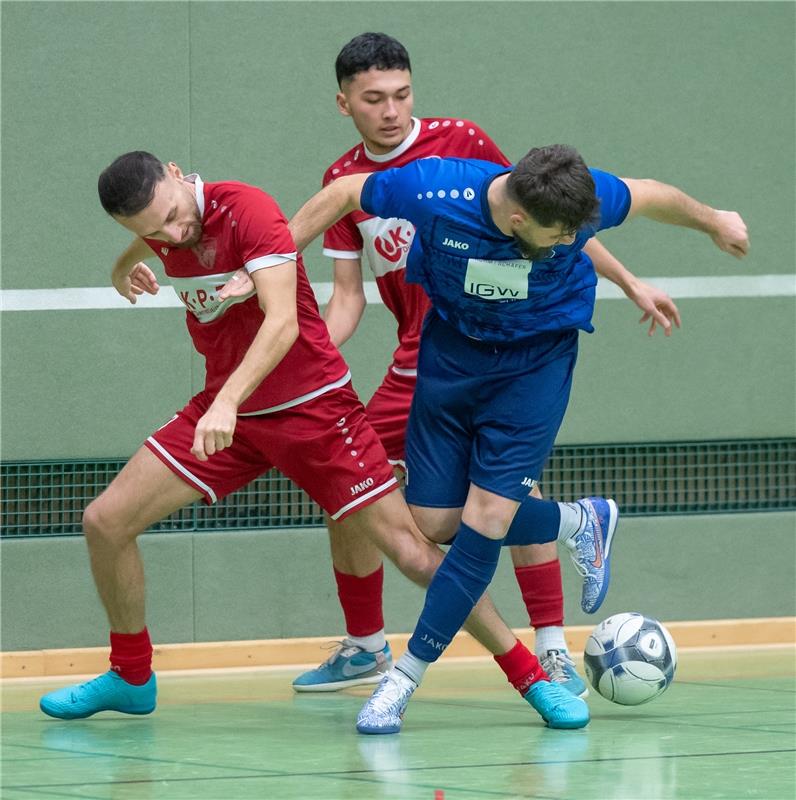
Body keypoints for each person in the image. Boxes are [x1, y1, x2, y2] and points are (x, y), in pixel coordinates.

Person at [39, 151, 595, 729]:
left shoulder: (247, 210)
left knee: (413, 552)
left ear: (179, 175)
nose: (172, 233)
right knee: (105, 522)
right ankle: (132, 677)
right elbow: (154, 237)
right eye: (153, 232)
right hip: (230, 413)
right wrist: (120, 266)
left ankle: (531, 677)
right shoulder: (160, 225)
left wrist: (227, 401)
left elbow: (281, 322)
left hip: (313, 412)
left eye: (174, 217)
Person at [220, 32, 680, 698]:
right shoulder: (346, 184)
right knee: (348, 493)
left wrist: (631, 282)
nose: (391, 110)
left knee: (512, 490)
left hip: (485, 344)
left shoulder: (459, 145)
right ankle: (366, 646)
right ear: (343, 102)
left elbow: (550, 223)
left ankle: (550, 646)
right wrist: (302, 360)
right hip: (421, 357)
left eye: (402, 94)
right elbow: (346, 302)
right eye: (373, 98)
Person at [284, 143, 749, 733]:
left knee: (486, 522)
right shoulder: (436, 191)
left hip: (535, 363)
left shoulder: (582, 197)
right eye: (558, 236)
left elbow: (653, 193)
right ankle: (577, 522)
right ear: (517, 218)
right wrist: (271, 263)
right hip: (452, 354)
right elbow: (347, 191)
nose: (567, 244)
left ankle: (403, 679)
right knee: (431, 522)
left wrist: (714, 222)